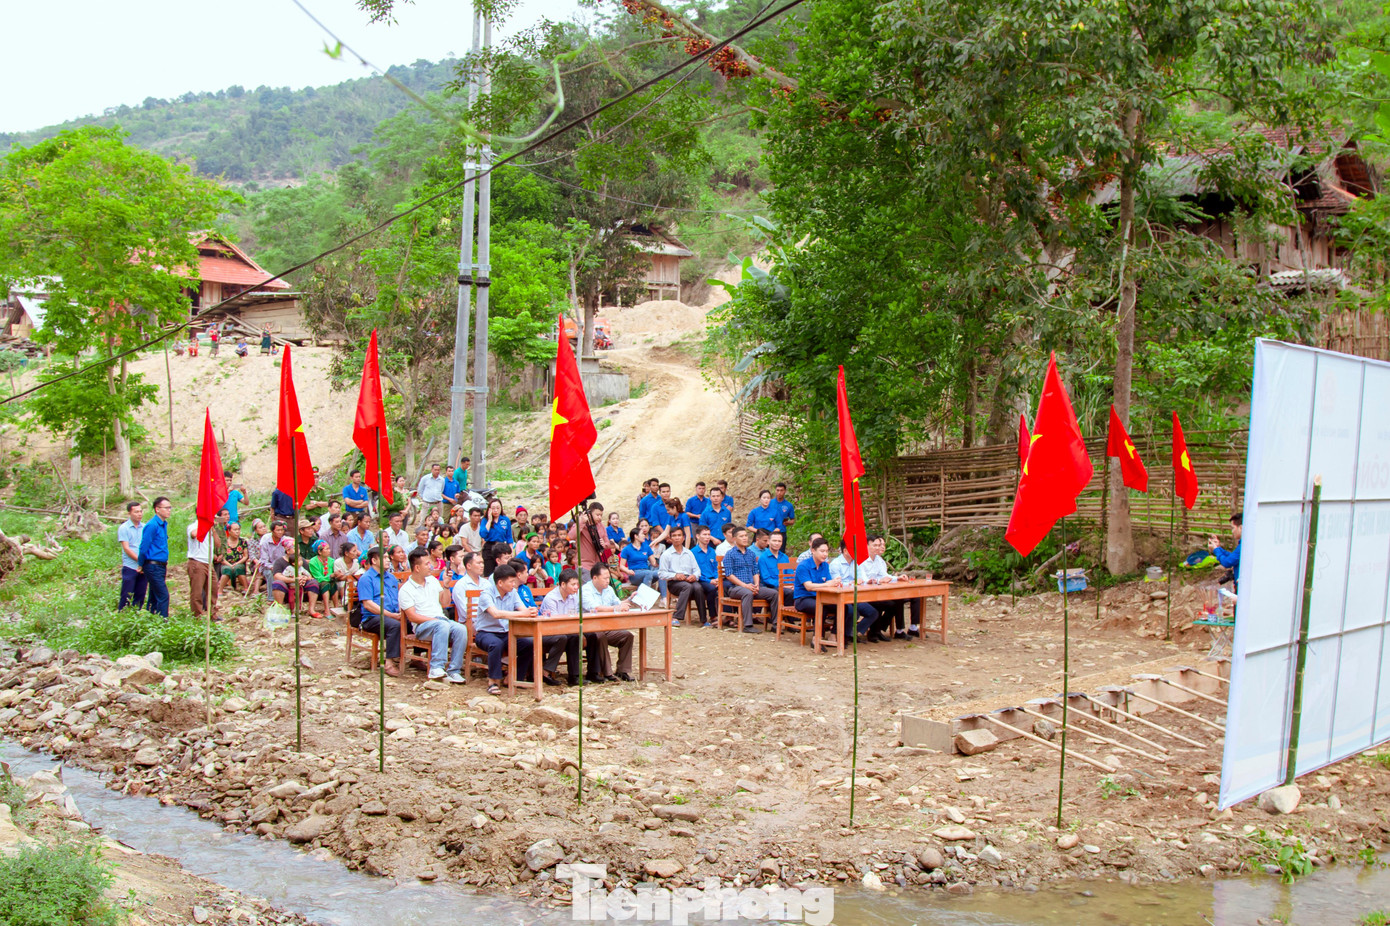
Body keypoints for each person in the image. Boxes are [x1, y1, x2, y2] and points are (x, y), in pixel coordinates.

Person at [397, 550, 469, 682]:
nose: (431, 566)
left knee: (461, 629)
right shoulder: (406, 589)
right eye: (427, 564)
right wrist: (436, 620)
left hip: (441, 621)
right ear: (417, 568)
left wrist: (446, 585)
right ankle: (436, 667)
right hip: (423, 626)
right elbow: (412, 617)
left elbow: (445, 603)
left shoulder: (432, 581)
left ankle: (454, 670)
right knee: (441, 625)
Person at [475, 563, 543, 695]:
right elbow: (496, 614)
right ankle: (493, 681)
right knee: (496, 644)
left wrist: (531, 611)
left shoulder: (513, 593)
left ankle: (514, 677)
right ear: (500, 582)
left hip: (506, 633)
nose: (513, 584)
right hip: (486, 633)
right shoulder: (486, 594)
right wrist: (523, 614)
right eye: (511, 581)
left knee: (529, 643)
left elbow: (523, 610)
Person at [580, 563, 636, 682]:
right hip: (590, 628)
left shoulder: (609, 589)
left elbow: (617, 604)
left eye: (608, 577)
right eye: (605, 578)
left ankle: (622, 670)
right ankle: (607, 672)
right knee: (600, 637)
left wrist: (629, 599)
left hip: (608, 626)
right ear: (595, 578)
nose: (607, 580)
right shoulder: (585, 590)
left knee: (627, 636)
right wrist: (616, 608)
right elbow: (594, 608)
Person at [861, 533, 919, 639]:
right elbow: (863, 580)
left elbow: (885, 575)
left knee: (897, 601)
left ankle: (880, 630)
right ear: (866, 546)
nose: (878, 548)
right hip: (865, 593)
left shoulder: (879, 560)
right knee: (889, 604)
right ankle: (875, 630)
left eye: (879, 545)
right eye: (875, 545)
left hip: (878, 591)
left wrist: (898, 578)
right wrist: (878, 580)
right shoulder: (861, 560)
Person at [357, 547, 403, 677]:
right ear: (374, 560)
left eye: (388, 557)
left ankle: (417, 656)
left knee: (415, 620)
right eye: (384, 558)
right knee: (395, 625)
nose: (388, 560)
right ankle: (388, 662)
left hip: (393, 613)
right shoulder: (366, 578)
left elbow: (398, 597)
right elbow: (368, 604)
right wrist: (390, 615)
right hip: (372, 618)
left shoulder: (392, 578)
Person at [722, 526, 777, 632]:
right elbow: (729, 575)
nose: (745, 538)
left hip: (752, 586)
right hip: (736, 588)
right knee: (747, 593)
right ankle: (748, 625)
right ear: (734, 539)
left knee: (774, 594)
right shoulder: (730, 554)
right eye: (741, 536)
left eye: (746, 536)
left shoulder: (751, 554)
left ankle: (775, 624)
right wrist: (745, 585)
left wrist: (756, 584)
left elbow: (755, 571)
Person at [826, 537, 881, 642]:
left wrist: (860, 581)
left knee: (872, 612)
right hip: (841, 596)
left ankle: (853, 632)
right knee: (851, 611)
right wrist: (850, 583)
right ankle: (843, 636)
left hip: (855, 595)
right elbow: (836, 583)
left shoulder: (856, 563)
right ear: (845, 550)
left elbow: (860, 579)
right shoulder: (836, 564)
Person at [536, 571, 586, 686]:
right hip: (547, 631)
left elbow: (575, 615)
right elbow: (554, 623)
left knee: (575, 637)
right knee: (562, 638)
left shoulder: (573, 597)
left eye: (577, 584)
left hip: (566, 629)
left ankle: (574, 676)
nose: (576, 587)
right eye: (573, 585)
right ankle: (546, 671)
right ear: (563, 585)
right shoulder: (551, 598)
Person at [658, 526, 705, 626]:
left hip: (689, 579)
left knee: (698, 587)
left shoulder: (689, 553)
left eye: (679, 535)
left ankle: (703, 619)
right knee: (687, 586)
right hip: (674, 583)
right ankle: (676, 616)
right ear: (670, 539)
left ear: (683, 537)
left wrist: (694, 576)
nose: (677, 538)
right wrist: (675, 575)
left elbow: (697, 570)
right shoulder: (666, 554)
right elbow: (661, 573)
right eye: (674, 536)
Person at [139, 497, 173, 618]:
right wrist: (141, 563)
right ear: (157, 509)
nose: (169, 510)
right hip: (152, 565)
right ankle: (163, 622)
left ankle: (151, 618)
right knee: (163, 595)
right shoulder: (152, 525)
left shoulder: (163, 524)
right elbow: (144, 546)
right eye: (166, 508)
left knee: (154, 594)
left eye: (170, 507)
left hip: (161, 565)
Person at [184, 520, 218, 618]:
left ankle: (213, 613)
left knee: (213, 588)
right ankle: (197, 615)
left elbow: (217, 544)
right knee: (197, 591)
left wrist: (213, 530)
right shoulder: (194, 526)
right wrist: (206, 525)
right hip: (197, 561)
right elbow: (194, 534)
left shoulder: (210, 528)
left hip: (208, 562)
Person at [620, 527, 665, 600]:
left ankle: (664, 599)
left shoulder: (646, 547)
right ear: (636, 536)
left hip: (646, 572)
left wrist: (661, 560)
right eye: (642, 534)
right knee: (648, 573)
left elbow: (653, 563)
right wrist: (628, 571)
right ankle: (644, 600)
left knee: (661, 573)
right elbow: (621, 566)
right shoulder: (627, 549)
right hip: (634, 574)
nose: (644, 536)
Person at [118, 501, 146, 611]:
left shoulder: (145, 527)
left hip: (143, 567)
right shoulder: (124, 528)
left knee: (141, 593)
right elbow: (126, 548)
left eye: (140, 511)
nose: (139, 514)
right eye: (136, 512)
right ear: (129, 513)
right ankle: (123, 614)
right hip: (130, 566)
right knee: (127, 594)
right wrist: (140, 561)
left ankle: (137, 615)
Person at [691, 525, 720, 628]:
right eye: (704, 535)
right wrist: (708, 580)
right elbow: (695, 571)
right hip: (701, 580)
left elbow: (716, 567)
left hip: (714, 579)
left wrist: (717, 578)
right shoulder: (693, 552)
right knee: (712, 589)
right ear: (698, 536)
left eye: (708, 535)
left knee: (726, 587)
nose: (707, 537)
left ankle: (727, 617)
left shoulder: (712, 551)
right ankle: (713, 616)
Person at [759, 530, 793, 610]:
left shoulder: (784, 557)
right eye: (774, 540)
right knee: (790, 592)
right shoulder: (763, 558)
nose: (777, 543)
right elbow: (766, 579)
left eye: (779, 541)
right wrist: (782, 585)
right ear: (768, 542)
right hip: (771, 587)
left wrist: (790, 585)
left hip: (786, 586)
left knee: (800, 590)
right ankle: (788, 617)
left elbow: (790, 574)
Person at [567, 502, 606, 574]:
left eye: (601, 515)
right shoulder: (581, 523)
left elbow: (607, 543)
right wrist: (581, 522)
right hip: (584, 565)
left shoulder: (601, 526)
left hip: (597, 565)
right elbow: (571, 536)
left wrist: (604, 544)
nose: (599, 517)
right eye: (597, 515)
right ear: (590, 514)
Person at [1208, 513, 1242, 594]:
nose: (1232, 531)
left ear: (1240, 528)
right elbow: (1232, 557)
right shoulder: (1244, 546)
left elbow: (1228, 562)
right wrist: (1218, 548)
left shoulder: (1244, 546)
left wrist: (1216, 550)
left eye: (1233, 528)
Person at [258, 521, 293, 595]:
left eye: (282, 530)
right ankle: (271, 597)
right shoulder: (266, 543)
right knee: (271, 574)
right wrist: (273, 567)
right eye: (278, 530)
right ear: (272, 531)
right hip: (269, 567)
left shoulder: (286, 541)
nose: (280, 532)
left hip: (284, 567)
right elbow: (264, 561)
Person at [305, 540, 339, 616]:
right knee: (325, 584)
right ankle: (326, 610)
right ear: (320, 552)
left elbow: (331, 573)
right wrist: (330, 576)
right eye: (326, 549)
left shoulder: (331, 560)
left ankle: (336, 608)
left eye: (329, 548)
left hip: (328, 580)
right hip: (318, 582)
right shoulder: (313, 562)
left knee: (334, 584)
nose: (329, 551)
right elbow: (318, 577)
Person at [219, 520, 251, 594]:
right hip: (227, 563)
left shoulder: (243, 542)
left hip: (240, 563)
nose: (237, 532)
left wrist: (236, 564)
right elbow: (222, 558)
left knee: (238, 568)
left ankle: (246, 588)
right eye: (235, 530)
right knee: (227, 569)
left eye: (238, 529)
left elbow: (245, 556)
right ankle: (220, 591)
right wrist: (230, 565)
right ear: (229, 531)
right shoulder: (224, 543)